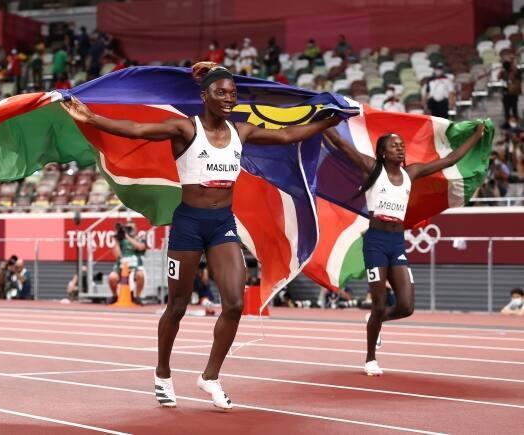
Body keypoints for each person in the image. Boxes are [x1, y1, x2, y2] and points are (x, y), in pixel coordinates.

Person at [60, 61, 342, 409]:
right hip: (188, 226)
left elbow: (286, 135)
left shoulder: (243, 131)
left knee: (235, 303)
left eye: (233, 93)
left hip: (222, 224)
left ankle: (210, 376)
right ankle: (162, 372)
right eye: (221, 92)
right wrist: (91, 119)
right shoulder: (185, 129)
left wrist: (329, 120)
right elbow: (135, 129)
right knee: (177, 305)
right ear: (204, 95)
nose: (228, 98)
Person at [324, 121, 485, 376]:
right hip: (375, 242)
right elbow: (342, 145)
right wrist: (322, 122)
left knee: (406, 306)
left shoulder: (412, 173)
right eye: (394, 146)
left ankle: (375, 321)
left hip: (397, 243)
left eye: (402, 145)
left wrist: (477, 135)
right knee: (378, 303)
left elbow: (451, 159)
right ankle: (370, 359)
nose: (400, 149)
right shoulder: (372, 168)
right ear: (383, 152)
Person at [107, 221, 147, 304]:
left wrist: (128, 237)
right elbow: (117, 255)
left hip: (136, 266)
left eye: (131, 228)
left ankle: (137, 297)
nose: (129, 230)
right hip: (121, 266)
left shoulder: (140, 238)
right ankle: (115, 296)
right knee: (112, 277)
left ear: (136, 229)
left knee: (140, 275)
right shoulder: (121, 240)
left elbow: (141, 247)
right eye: (127, 228)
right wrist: (116, 241)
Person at [500, 61, 522, 126]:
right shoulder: (504, 72)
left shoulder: (516, 72)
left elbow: (515, 78)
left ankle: (515, 122)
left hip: (513, 93)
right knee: (507, 109)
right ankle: (508, 122)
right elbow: (499, 77)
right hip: (507, 93)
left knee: (513, 108)